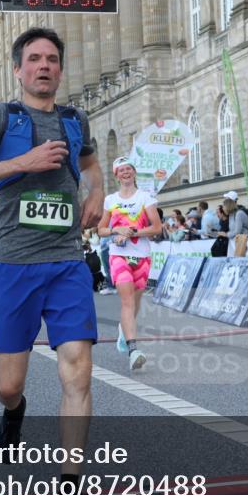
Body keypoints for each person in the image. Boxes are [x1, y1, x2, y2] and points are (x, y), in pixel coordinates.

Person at [0, 27, 105, 495]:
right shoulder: (2, 117)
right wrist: (23, 163)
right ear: (18, 69)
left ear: (60, 69)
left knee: (78, 371)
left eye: (52, 59)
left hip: (66, 263)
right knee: (7, 384)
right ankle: (14, 412)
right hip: (14, 264)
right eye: (34, 59)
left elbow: (92, 168)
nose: (44, 66)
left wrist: (96, 195)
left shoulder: (76, 119)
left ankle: (71, 492)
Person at [98, 157, 161, 371]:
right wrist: (116, 230)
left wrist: (133, 232)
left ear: (134, 173)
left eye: (128, 169)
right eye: (121, 170)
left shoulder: (146, 197)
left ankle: (123, 331)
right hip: (119, 256)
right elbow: (101, 229)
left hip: (142, 256)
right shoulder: (110, 200)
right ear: (116, 176)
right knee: (126, 302)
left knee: (135, 302)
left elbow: (156, 228)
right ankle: (134, 350)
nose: (125, 173)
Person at [218, 191, 248, 257]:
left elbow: (237, 231)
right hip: (238, 242)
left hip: (245, 243)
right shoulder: (231, 215)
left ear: (228, 204)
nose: (223, 208)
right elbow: (233, 230)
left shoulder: (239, 213)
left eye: (224, 205)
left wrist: (226, 234)